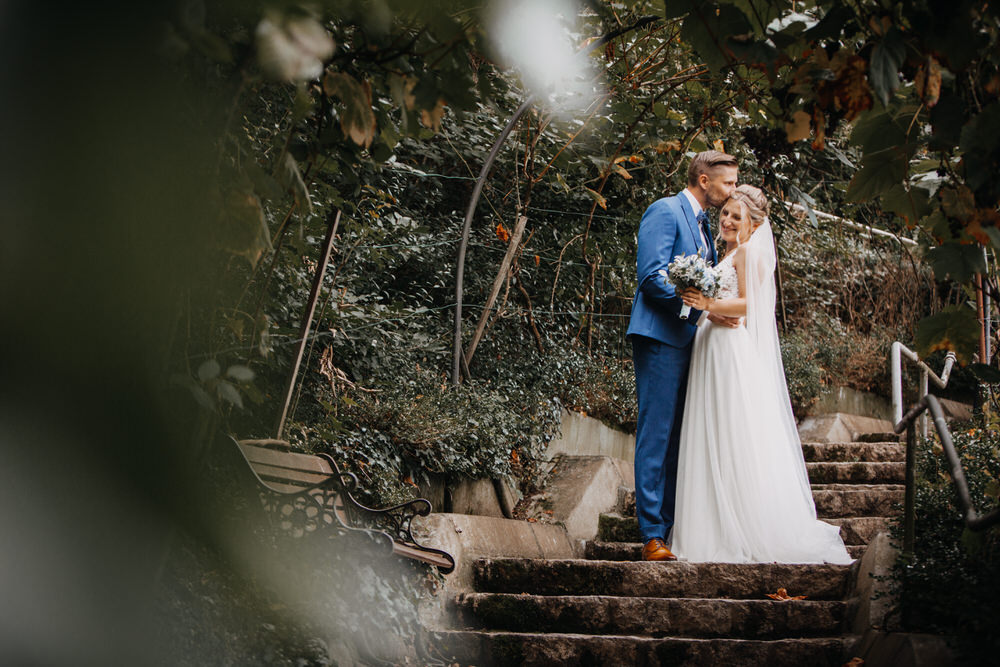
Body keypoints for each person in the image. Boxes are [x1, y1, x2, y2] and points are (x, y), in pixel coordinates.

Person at [672, 185, 851, 564]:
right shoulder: (730, 252)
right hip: (711, 345)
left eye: (737, 216)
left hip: (727, 352)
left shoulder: (749, 252)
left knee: (728, 433)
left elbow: (751, 304)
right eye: (726, 214)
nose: (728, 220)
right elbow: (725, 304)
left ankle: (735, 525)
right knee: (711, 433)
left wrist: (708, 303)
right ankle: (710, 524)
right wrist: (706, 308)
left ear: (754, 223)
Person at [625, 151, 739, 562]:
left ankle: (672, 527)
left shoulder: (706, 227)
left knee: (679, 437)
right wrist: (702, 309)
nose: (732, 191)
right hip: (660, 337)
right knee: (656, 432)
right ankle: (652, 534)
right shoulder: (665, 210)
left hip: (691, 342)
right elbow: (652, 277)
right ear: (705, 180)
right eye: (727, 183)